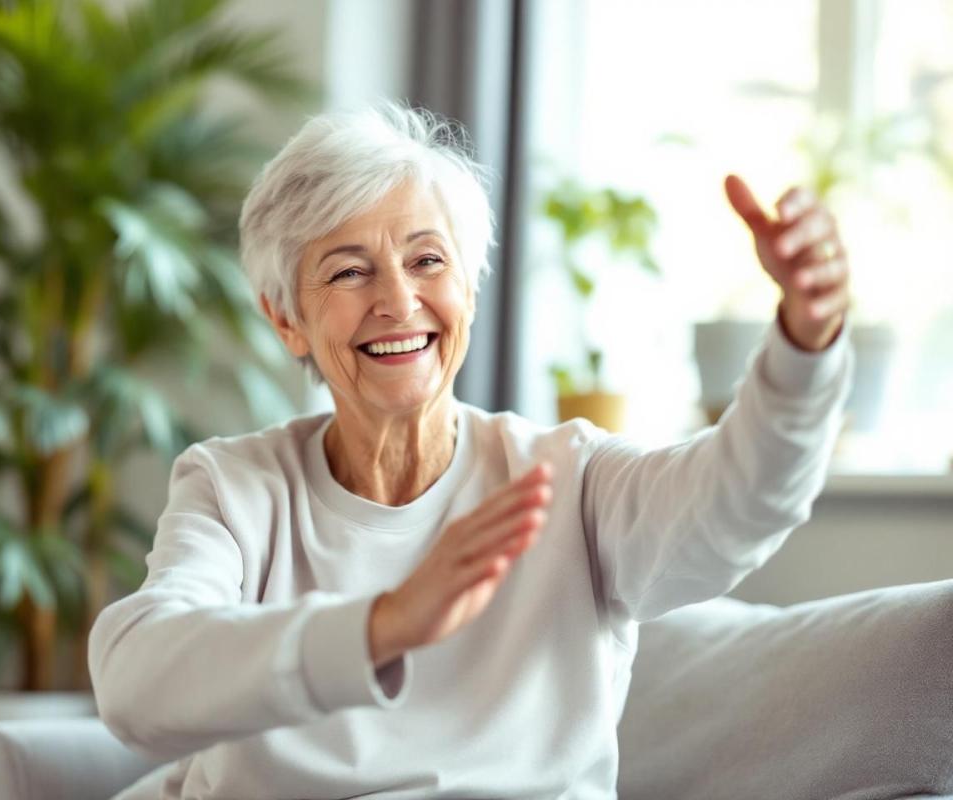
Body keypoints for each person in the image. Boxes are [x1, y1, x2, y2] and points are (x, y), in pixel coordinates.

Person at [88, 102, 853, 799]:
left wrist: (803, 347)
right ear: (286, 319)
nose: (397, 300)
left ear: (470, 286)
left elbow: (736, 504)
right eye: (349, 271)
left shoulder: (570, 476)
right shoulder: (236, 488)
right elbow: (136, 677)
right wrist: (380, 626)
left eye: (427, 260)